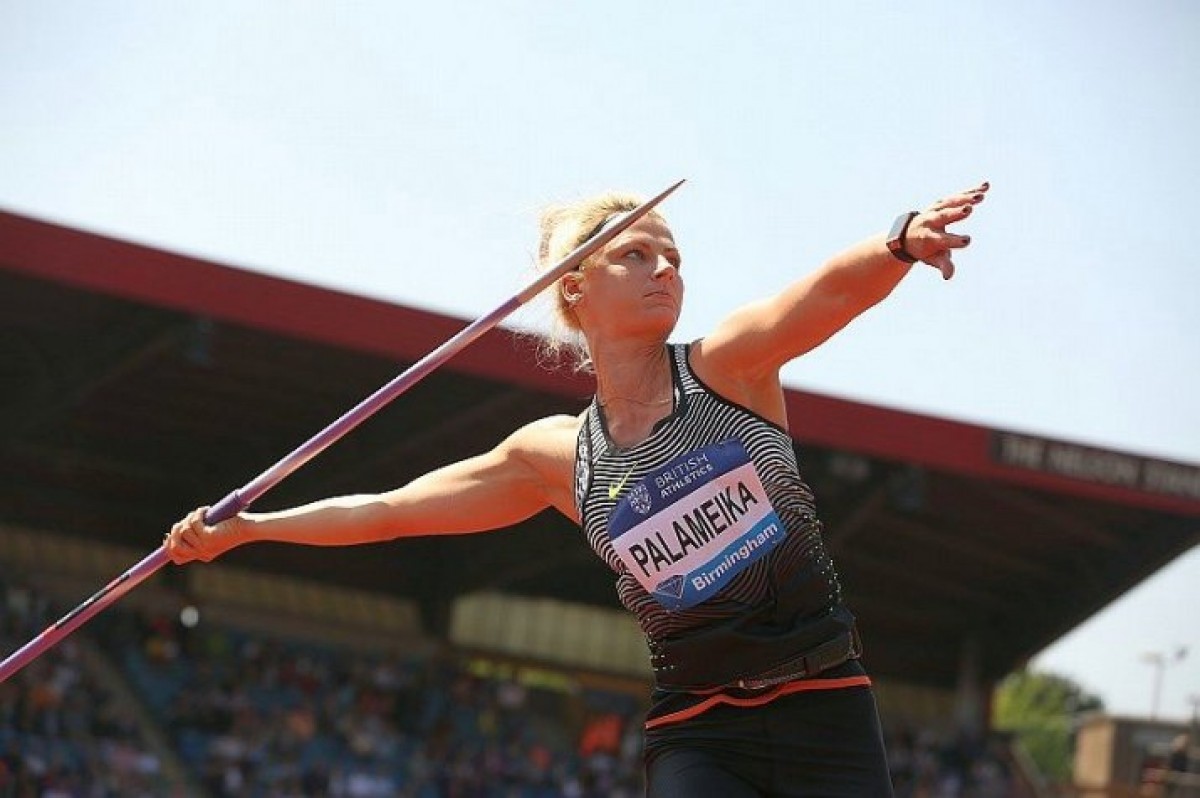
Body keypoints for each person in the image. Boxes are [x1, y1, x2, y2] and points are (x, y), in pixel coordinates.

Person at [165, 180, 989, 797]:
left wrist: (898, 243)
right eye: (636, 254)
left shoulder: (728, 368)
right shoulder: (557, 458)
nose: (664, 268)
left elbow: (827, 293)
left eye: (674, 257)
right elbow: (388, 513)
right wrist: (251, 529)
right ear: (573, 286)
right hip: (699, 727)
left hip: (826, 700)